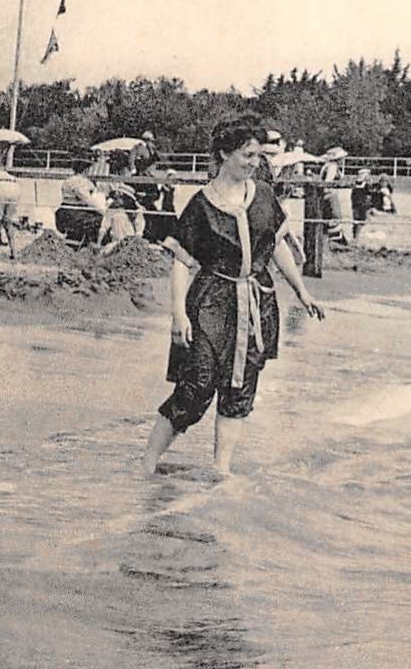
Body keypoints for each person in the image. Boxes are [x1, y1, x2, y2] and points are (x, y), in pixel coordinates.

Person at [143, 117, 326, 476]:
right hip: (212, 301)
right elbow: (181, 263)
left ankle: (220, 469)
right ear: (224, 154)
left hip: (257, 301)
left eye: (258, 155)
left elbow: (275, 247)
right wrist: (178, 314)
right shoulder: (201, 205)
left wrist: (302, 292)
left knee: (240, 386)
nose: (254, 162)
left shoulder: (263, 196)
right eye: (246, 155)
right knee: (196, 387)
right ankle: (148, 462)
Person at [56, 156, 110, 246]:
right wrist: (103, 212)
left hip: (63, 210)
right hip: (73, 212)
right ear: (86, 170)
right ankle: (90, 244)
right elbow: (87, 199)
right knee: (100, 220)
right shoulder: (80, 182)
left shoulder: (68, 180)